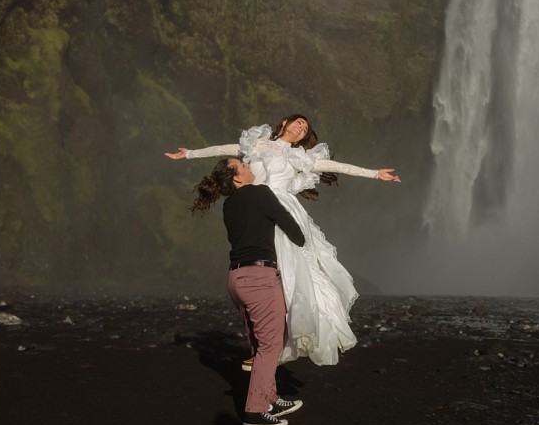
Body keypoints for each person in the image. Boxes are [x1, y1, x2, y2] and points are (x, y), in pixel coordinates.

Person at [166, 114, 400, 368]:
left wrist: (375, 174)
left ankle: (280, 341)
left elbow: (337, 167)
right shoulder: (255, 143)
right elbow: (223, 150)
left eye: (305, 128)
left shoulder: (300, 157)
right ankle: (265, 344)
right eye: (298, 122)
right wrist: (188, 154)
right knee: (263, 268)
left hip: (281, 207)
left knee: (292, 272)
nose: (301, 127)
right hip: (254, 206)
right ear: (285, 122)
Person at [190, 156, 305, 425]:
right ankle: (254, 411)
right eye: (243, 166)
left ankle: (271, 398)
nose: (251, 166)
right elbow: (294, 231)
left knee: (259, 343)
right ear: (237, 177)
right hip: (259, 278)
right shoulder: (260, 193)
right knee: (270, 345)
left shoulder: (229, 205)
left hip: (236, 278)